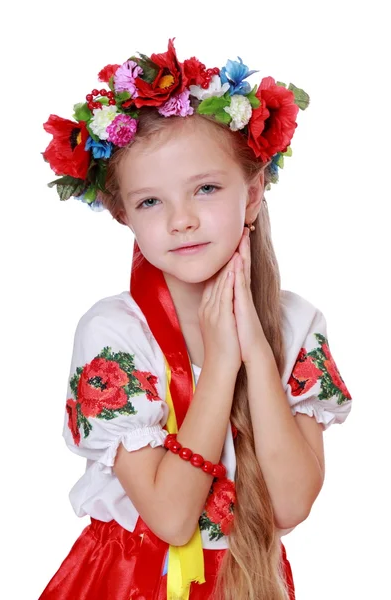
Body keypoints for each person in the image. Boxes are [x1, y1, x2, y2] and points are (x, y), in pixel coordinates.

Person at [39, 39, 352, 600]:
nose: (181, 220)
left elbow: (291, 504)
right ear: (123, 215)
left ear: (252, 193)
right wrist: (219, 363)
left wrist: (256, 352)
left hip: (248, 582)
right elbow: (171, 518)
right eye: (150, 202)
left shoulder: (298, 323)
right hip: (129, 581)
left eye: (206, 189)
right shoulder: (114, 332)